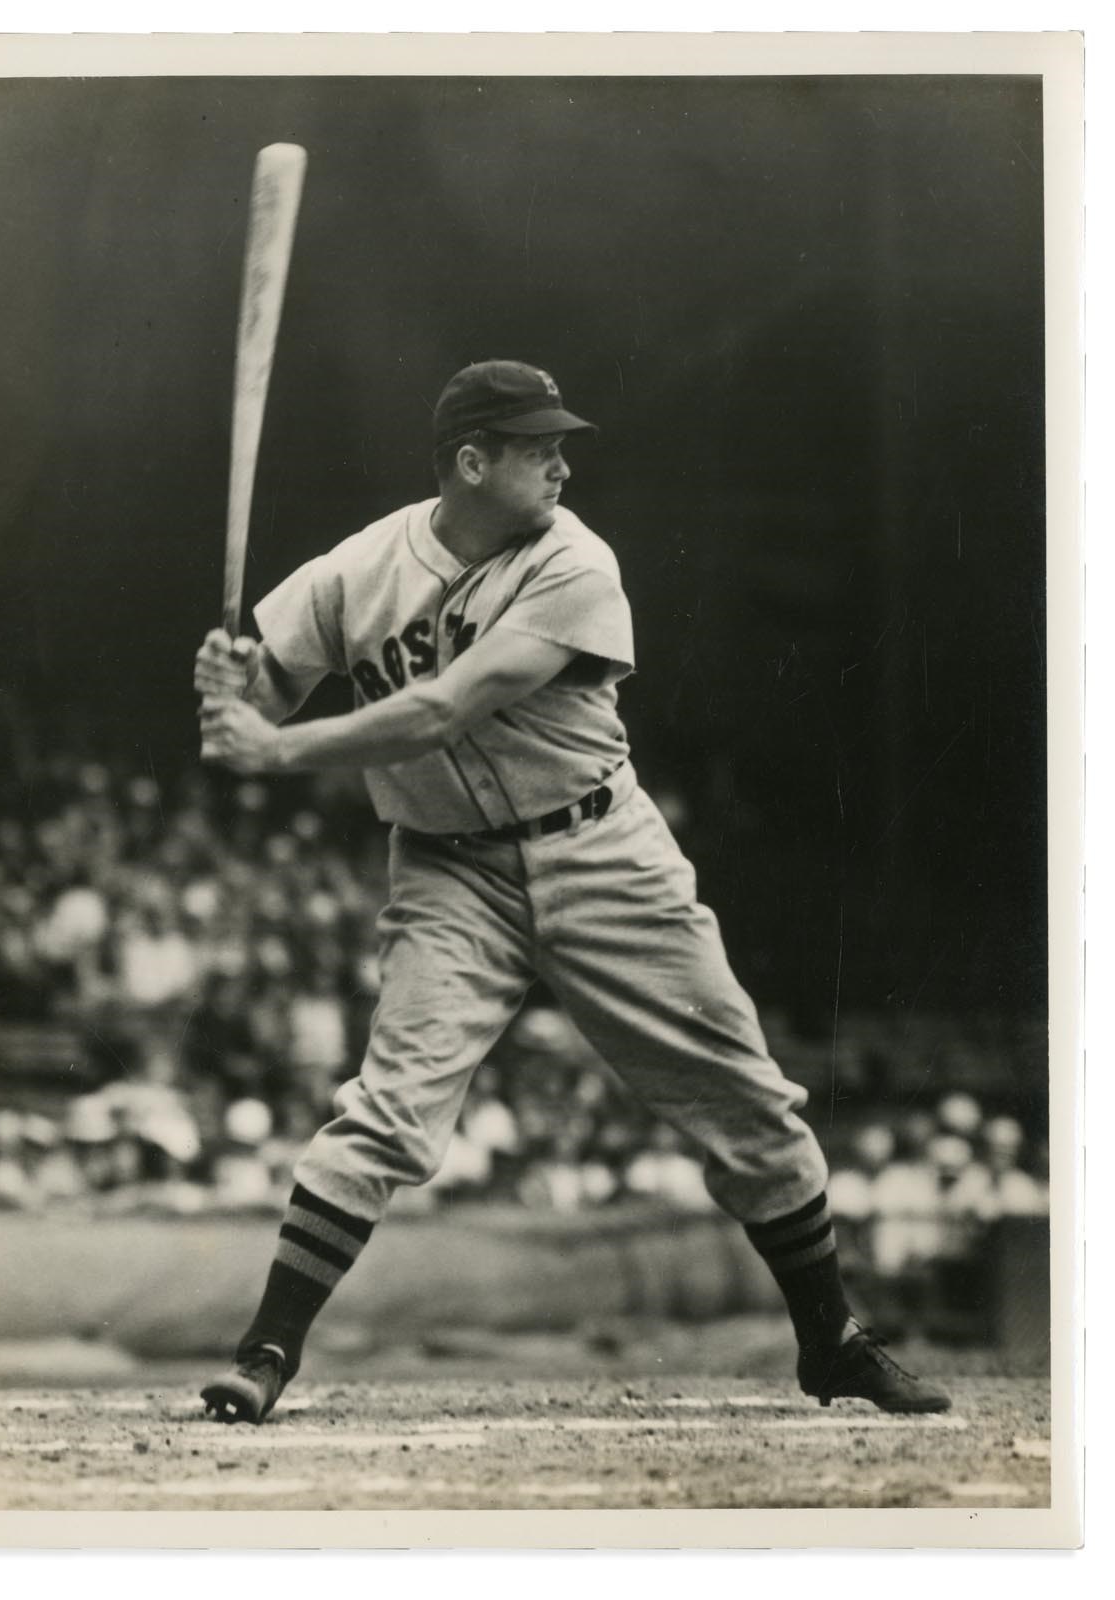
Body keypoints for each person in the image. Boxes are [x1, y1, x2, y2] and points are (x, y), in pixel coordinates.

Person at [194, 359, 950, 1423]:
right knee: (389, 1111)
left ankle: (830, 1339)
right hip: (449, 871)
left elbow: (448, 706)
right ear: (471, 460)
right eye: (537, 445)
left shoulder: (576, 563)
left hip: (601, 854)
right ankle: (265, 1351)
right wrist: (235, 687)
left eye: (559, 444)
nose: (560, 463)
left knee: (746, 1100)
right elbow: (267, 688)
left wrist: (268, 749)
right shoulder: (354, 570)